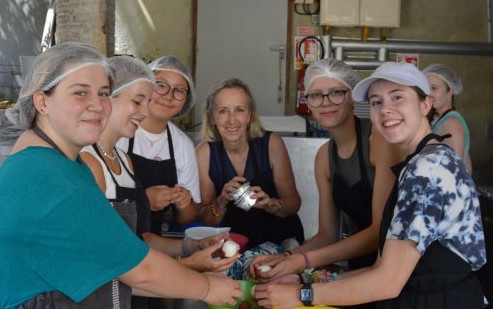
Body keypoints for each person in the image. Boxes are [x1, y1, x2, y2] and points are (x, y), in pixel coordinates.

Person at [0, 43, 240, 309]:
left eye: (102, 93)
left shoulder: (56, 165)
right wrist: (206, 288)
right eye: (80, 92)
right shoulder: (49, 177)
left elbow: (115, 267)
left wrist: (192, 270)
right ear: (41, 102)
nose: (98, 105)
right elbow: (142, 271)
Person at [254, 62, 486, 309]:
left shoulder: (427, 170)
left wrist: (302, 294)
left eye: (398, 97)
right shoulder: (420, 162)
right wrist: (305, 279)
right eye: (377, 102)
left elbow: (388, 280)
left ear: (426, 105)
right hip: (418, 304)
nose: (386, 109)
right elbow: (383, 268)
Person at [81, 55, 237, 273]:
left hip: (143, 276)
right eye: (138, 101)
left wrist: (192, 245)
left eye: (179, 91)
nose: (144, 112)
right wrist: (186, 265)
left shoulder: (124, 160)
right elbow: (105, 257)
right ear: (108, 98)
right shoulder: (89, 161)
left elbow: (140, 238)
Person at [249, 59, 400, 282]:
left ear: (352, 98)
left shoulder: (378, 140)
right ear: (308, 104)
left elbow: (381, 230)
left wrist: (303, 261)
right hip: (360, 263)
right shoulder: (324, 158)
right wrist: (285, 257)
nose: (326, 103)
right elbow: (327, 235)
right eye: (316, 95)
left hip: (395, 264)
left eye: (336, 93)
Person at [197, 77, 305, 250]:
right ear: (212, 118)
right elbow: (206, 218)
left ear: (249, 116)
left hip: (282, 239)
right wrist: (222, 201)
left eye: (239, 110)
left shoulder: (272, 144)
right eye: (223, 111)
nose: (232, 120)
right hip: (236, 243)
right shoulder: (204, 153)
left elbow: (294, 204)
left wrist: (271, 204)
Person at [117, 55, 200, 234]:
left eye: (179, 90)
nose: (168, 96)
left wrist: (184, 204)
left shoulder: (182, 145)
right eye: (161, 85)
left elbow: (188, 217)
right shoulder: (120, 130)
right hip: (114, 234)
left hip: (153, 239)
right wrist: (143, 199)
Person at [423, 63, 473, 174]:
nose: (428, 93)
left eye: (434, 88)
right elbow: (468, 164)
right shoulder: (439, 119)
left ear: (450, 91)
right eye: (426, 88)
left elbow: (452, 170)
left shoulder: (452, 123)